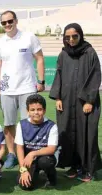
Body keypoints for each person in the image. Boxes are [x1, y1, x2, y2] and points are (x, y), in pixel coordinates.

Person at [49, 23, 102, 182]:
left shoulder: (90, 52)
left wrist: (89, 100)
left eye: (74, 36)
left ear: (81, 35)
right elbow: (58, 75)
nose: (71, 40)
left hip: (85, 103)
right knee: (67, 132)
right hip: (66, 100)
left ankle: (88, 169)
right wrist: (58, 97)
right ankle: (74, 165)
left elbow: (95, 76)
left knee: (87, 134)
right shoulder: (63, 54)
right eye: (67, 37)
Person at [0, 10, 45, 169]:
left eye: (10, 21)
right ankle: (12, 154)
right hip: (7, 90)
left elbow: (40, 58)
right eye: (4, 23)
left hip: (27, 87)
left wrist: (41, 81)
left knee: (28, 123)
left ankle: (30, 153)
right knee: (9, 124)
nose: (7, 25)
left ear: (16, 21)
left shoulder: (29, 37)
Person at [16, 94, 58, 190]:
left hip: (45, 157)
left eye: (39, 109)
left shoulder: (51, 126)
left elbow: (51, 149)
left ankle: (51, 176)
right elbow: (19, 148)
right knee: (25, 186)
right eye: (32, 110)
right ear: (28, 111)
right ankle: (33, 173)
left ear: (44, 110)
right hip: (28, 161)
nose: (36, 113)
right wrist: (23, 170)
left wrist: (33, 153)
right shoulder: (21, 124)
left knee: (46, 162)